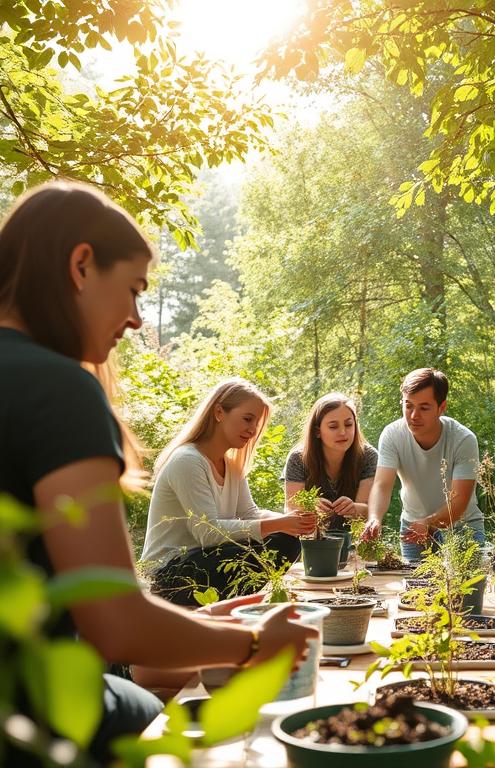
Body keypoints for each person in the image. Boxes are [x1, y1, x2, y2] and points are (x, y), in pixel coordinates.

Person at [0, 182, 315, 764]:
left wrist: (194, 623)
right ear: (81, 264)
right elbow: (115, 623)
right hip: (33, 713)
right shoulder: (57, 389)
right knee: (206, 733)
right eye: (134, 291)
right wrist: (251, 642)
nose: (138, 319)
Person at [141, 378, 314, 606]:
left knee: (287, 542)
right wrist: (280, 523)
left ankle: (228, 602)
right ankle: (224, 604)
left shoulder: (231, 465)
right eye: (247, 419)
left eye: (257, 423)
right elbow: (208, 532)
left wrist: (293, 522)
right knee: (256, 544)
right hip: (172, 571)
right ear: (219, 412)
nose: (253, 430)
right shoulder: (187, 461)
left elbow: (250, 514)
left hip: (208, 558)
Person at [361, 368, 485, 561]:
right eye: (408, 406)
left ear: (441, 407)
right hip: (413, 527)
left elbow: (459, 503)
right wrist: (374, 518)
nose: (413, 416)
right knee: (414, 589)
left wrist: (428, 523)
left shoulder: (463, 439)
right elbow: (382, 485)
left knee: (466, 590)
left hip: (463, 527)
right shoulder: (392, 435)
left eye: (424, 408)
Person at [282, 392, 378, 530]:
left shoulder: (369, 457)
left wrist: (354, 508)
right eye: (333, 427)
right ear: (317, 431)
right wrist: (310, 507)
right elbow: (290, 509)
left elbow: (371, 512)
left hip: (353, 541)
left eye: (349, 424)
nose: (343, 432)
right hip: (309, 541)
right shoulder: (298, 458)